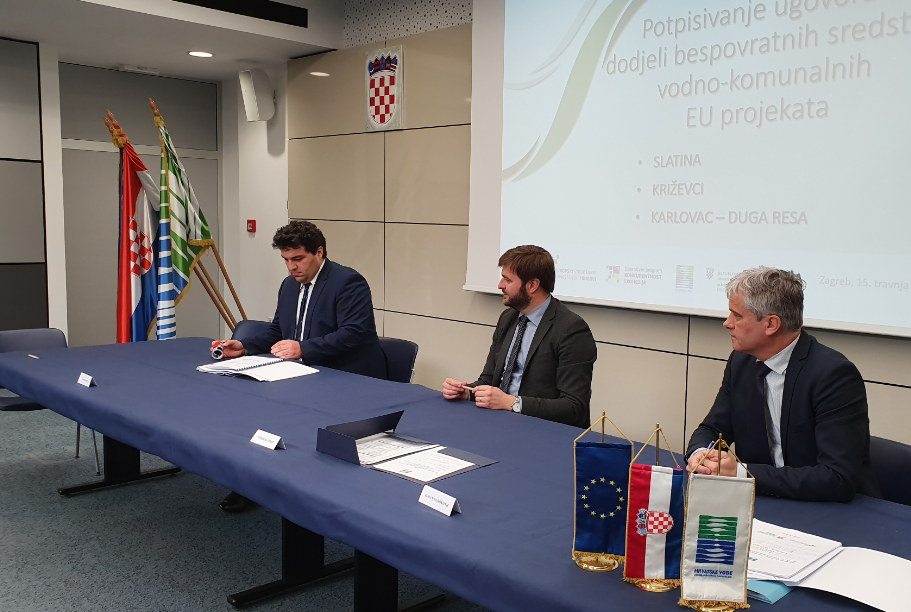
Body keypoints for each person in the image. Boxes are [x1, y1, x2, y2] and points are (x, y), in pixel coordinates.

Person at [213, 221, 386, 511]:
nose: (291, 267)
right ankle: (253, 484)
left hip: (345, 375)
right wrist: (244, 346)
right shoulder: (289, 286)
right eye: (286, 260)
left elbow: (355, 333)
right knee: (254, 409)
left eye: (298, 259)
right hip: (302, 373)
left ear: (319, 252)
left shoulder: (347, 282)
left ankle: (315, 494)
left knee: (291, 420)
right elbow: (278, 330)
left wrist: (304, 348)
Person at [686, 267, 880, 502]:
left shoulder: (833, 375)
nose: (727, 323)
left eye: (737, 316)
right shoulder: (741, 362)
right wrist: (701, 455)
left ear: (771, 324)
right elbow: (711, 430)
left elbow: (837, 478)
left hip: (826, 508)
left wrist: (742, 473)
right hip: (762, 501)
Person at [441, 245, 597, 429]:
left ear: (532, 285)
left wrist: (512, 403)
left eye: (507, 280)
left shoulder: (571, 330)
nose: (500, 285)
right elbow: (489, 380)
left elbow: (574, 407)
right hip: (498, 421)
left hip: (541, 430)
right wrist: (467, 393)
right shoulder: (508, 318)